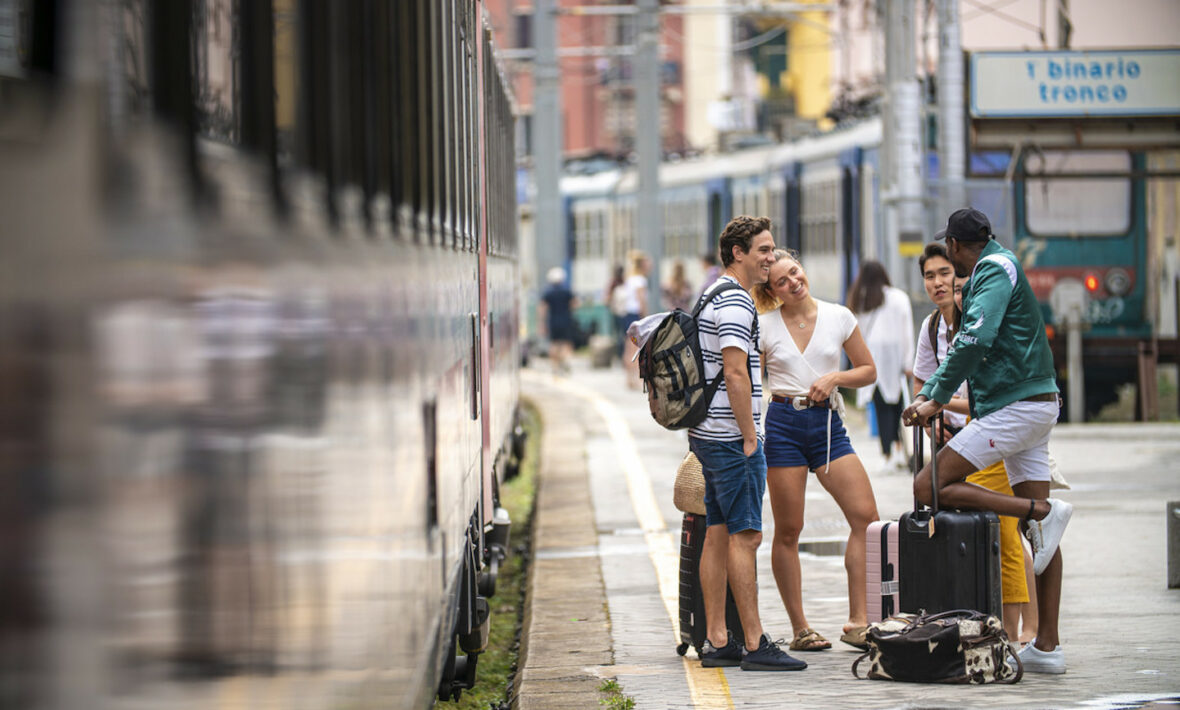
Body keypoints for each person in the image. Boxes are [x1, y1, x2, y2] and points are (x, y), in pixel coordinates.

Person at [902, 208, 1073, 674]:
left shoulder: (994, 270)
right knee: (1042, 540)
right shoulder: (995, 268)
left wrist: (933, 397)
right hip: (1028, 404)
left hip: (1015, 408)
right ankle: (1049, 648)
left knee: (927, 485)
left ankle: (1040, 511)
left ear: (956, 247)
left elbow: (975, 340)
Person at [690, 216, 805, 671]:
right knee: (747, 535)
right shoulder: (736, 301)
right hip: (731, 438)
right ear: (738, 252)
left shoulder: (711, 293)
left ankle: (718, 639)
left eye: (773, 250)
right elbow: (736, 372)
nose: (771, 259)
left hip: (706, 434)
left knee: (717, 533)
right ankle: (755, 643)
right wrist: (751, 435)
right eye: (763, 250)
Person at [751, 249, 880, 652]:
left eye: (794, 272)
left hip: (827, 426)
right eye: (782, 283)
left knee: (866, 519)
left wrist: (836, 377)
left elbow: (868, 370)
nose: (793, 283)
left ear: (802, 268)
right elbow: (753, 383)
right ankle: (800, 628)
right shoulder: (764, 325)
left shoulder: (839, 315)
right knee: (789, 529)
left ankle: (859, 621)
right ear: (773, 292)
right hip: (784, 425)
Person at [911, 240, 1030, 642]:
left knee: (1006, 538)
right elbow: (921, 383)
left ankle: (1013, 635)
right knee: (983, 533)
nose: (941, 284)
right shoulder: (932, 328)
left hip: (991, 433)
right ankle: (990, 623)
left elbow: (985, 394)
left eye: (948, 275)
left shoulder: (981, 319)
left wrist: (941, 405)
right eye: (931, 276)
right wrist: (929, 409)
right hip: (956, 443)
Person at [848, 260, 914, 471]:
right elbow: (907, 332)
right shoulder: (898, 297)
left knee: (881, 407)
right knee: (899, 406)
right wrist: (909, 361)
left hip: (872, 359)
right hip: (895, 358)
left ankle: (887, 454)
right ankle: (899, 449)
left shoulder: (860, 298)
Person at [619, 251, 651, 390]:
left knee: (628, 347)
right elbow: (641, 300)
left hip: (628, 314)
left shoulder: (630, 278)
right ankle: (636, 378)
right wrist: (645, 316)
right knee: (637, 348)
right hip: (636, 314)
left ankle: (629, 378)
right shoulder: (640, 280)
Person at [539, 266, 577, 374]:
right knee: (566, 343)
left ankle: (555, 366)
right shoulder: (567, 291)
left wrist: (542, 323)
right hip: (566, 320)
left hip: (553, 321)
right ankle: (565, 360)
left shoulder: (548, 292)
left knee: (554, 343)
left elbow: (542, 308)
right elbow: (575, 304)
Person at [606, 264, 627, 360]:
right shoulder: (626, 283)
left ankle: (619, 354)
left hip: (616, 312)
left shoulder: (612, 284)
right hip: (625, 312)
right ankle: (622, 354)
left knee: (617, 334)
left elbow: (607, 299)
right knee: (624, 335)